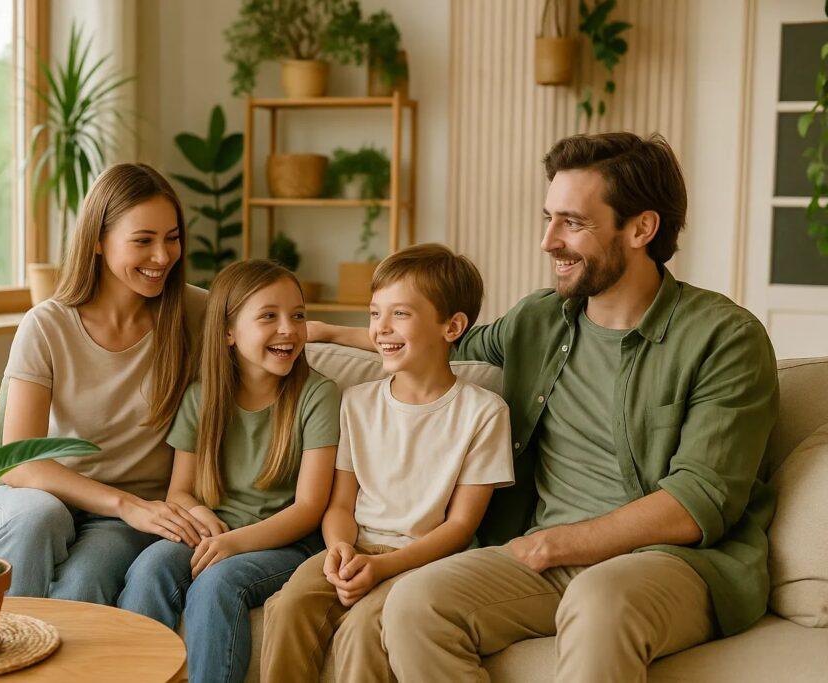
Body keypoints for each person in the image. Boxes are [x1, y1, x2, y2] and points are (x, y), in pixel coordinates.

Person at [311, 133, 779, 682]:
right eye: (549, 217)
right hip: (543, 560)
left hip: (670, 563)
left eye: (573, 223)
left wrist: (556, 542)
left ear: (641, 228)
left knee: (600, 599)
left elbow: (697, 501)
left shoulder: (724, 338)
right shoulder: (540, 319)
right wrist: (321, 332)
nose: (547, 241)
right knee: (414, 604)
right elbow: (440, 340)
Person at [262, 244, 515, 683]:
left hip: (424, 562)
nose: (380, 329)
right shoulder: (356, 403)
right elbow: (340, 505)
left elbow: (459, 529)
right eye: (375, 313)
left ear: (452, 326)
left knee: (363, 632)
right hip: (354, 547)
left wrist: (384, 567)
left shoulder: (484, 412)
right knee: (287, 606)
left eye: (400, 314)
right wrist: (340, 547)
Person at [0, 163, 210, 604]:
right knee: (36, 520)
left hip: (128, 518)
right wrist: (124, 504)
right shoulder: (47, 324)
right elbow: (18, 461)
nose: (162, 257)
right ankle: (4, 660)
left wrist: (366, 334)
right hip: (45, 495)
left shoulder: (196, 314)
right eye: (143, 241)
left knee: (83, 584)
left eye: (172, 237)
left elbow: (281, 327)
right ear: (99, 242)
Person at [117, 259, 341, 683]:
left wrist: (234, 544)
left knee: (218, 584)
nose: (288, 329)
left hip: (288, 543)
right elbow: (179, 492)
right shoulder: (201, 399)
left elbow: (310, 508)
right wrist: (200, 517)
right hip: (215, 533)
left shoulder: (318, 396)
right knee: (149, 568)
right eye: (269, 317)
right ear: (228, 333)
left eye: (298, 316)